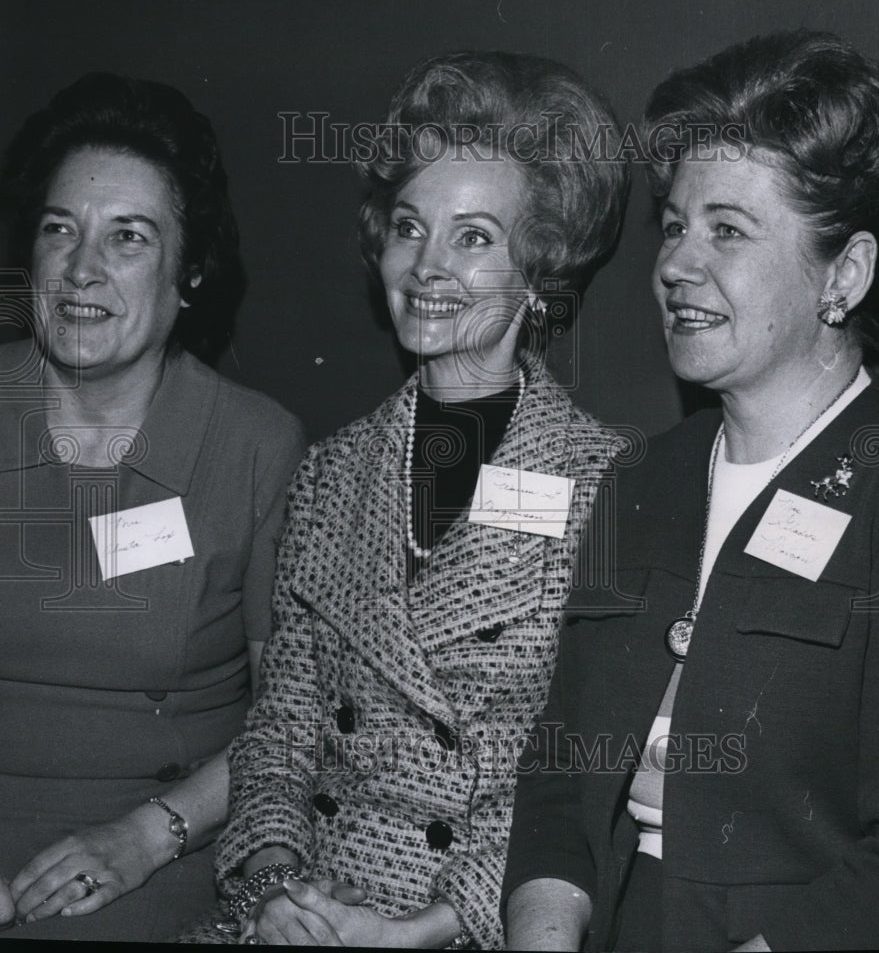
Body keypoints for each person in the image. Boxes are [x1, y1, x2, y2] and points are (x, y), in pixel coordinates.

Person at [503, 30, 879, 952]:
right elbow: (559, 778)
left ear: (846, 275)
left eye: (729, 230)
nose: (675, 263)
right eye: (675, 224)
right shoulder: (644, 477)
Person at [184, 50, 630, 948]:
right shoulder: (329, 471)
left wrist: (429, 925)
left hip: (482, 919)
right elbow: (281, 726)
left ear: (538, 266)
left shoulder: (606, 481)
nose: (426, 266)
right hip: (303, 909)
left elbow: (574, 772)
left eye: (473, 237)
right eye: (407, 227)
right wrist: (275, 889)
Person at [0, 74, 306, 942]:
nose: (82, 267)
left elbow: (292, 717)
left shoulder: (253, 447)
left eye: (127, 238)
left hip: (152, 862)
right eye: (61, 228)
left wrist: (145, 837)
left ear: (189, 272)